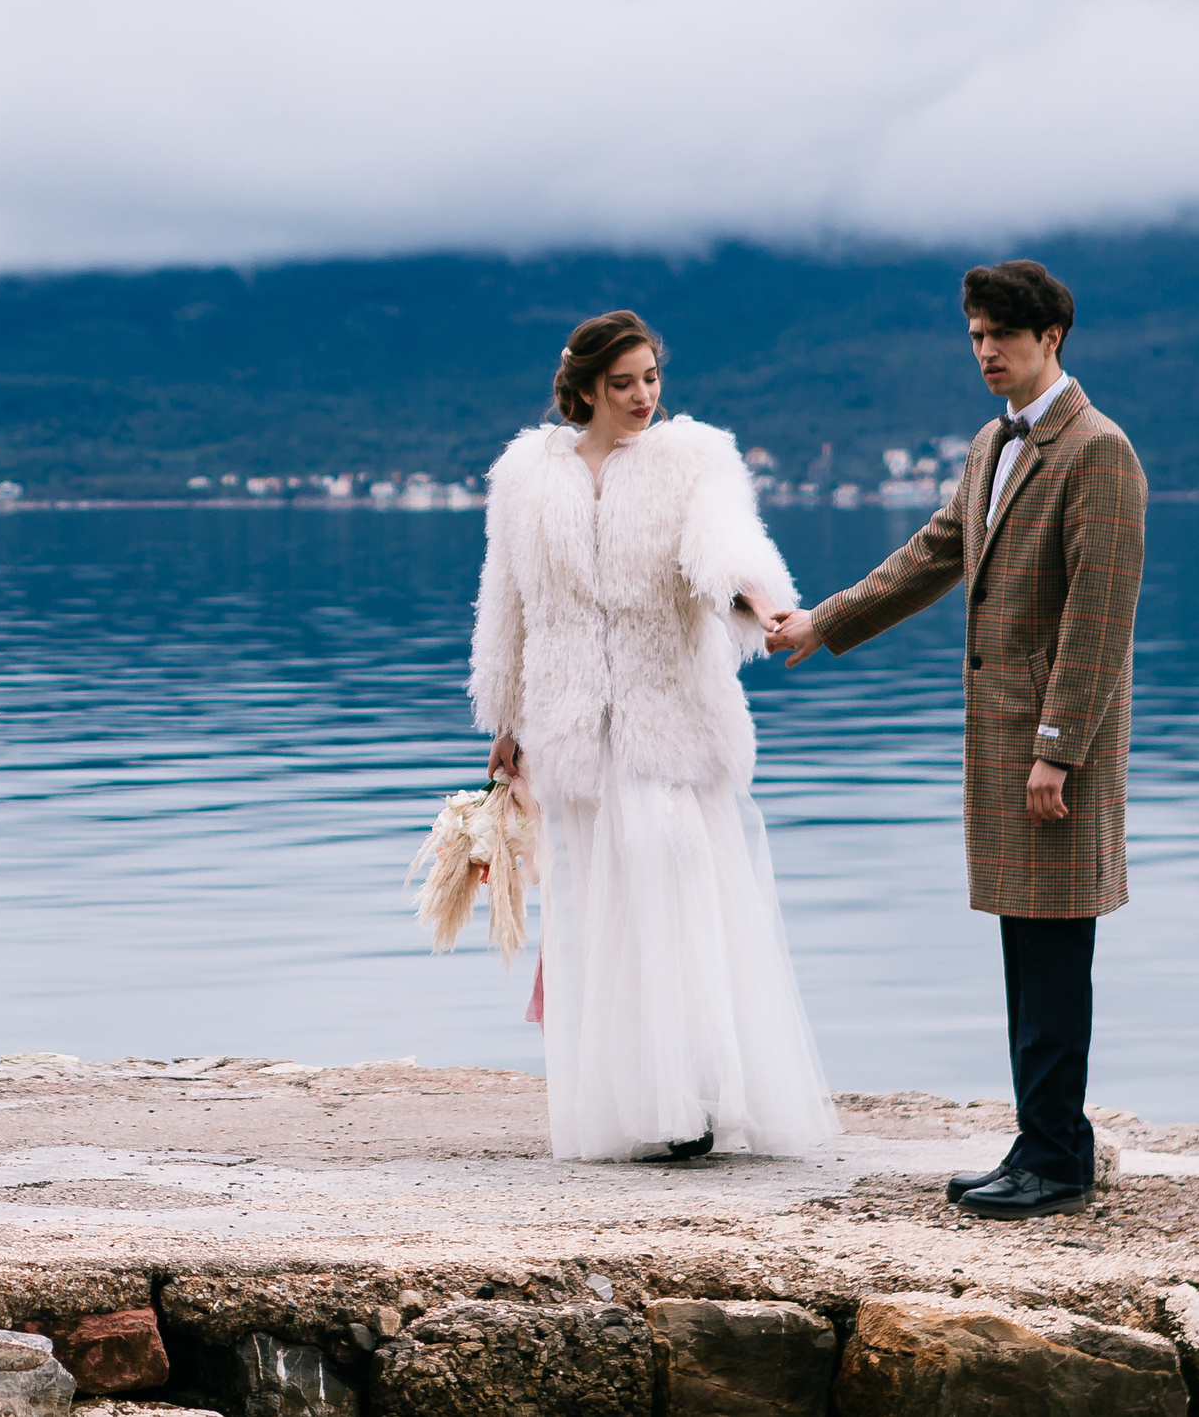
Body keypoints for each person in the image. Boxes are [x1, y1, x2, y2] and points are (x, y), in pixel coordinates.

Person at [769, 260, 1146, 1220]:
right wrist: (823, 622)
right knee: (1028, 941)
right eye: (975, 334)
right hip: (1004, 744)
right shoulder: (993, 443)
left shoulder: (1098, 451)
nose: (985, 351)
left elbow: (1099, 620)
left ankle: (1053, 1159)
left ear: (1050, 338)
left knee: (1053, 949)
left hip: (1053, 750)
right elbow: (935, 551)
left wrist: (1058, 747)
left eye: (1002, 336)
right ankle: (1052, 1140)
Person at [471, 309, 840, 1162]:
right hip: (570, 727)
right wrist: (507, 719)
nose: (643, 397)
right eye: (624, 383)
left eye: (651, 379)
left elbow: (722, 548)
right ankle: (635, 1102)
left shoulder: (691, 460)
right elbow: (507, 600)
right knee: (605, 914)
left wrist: (761, 602)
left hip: (669, 718)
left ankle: (699, 1099)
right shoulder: (526, 475)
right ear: (586, 388)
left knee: (678, 893)